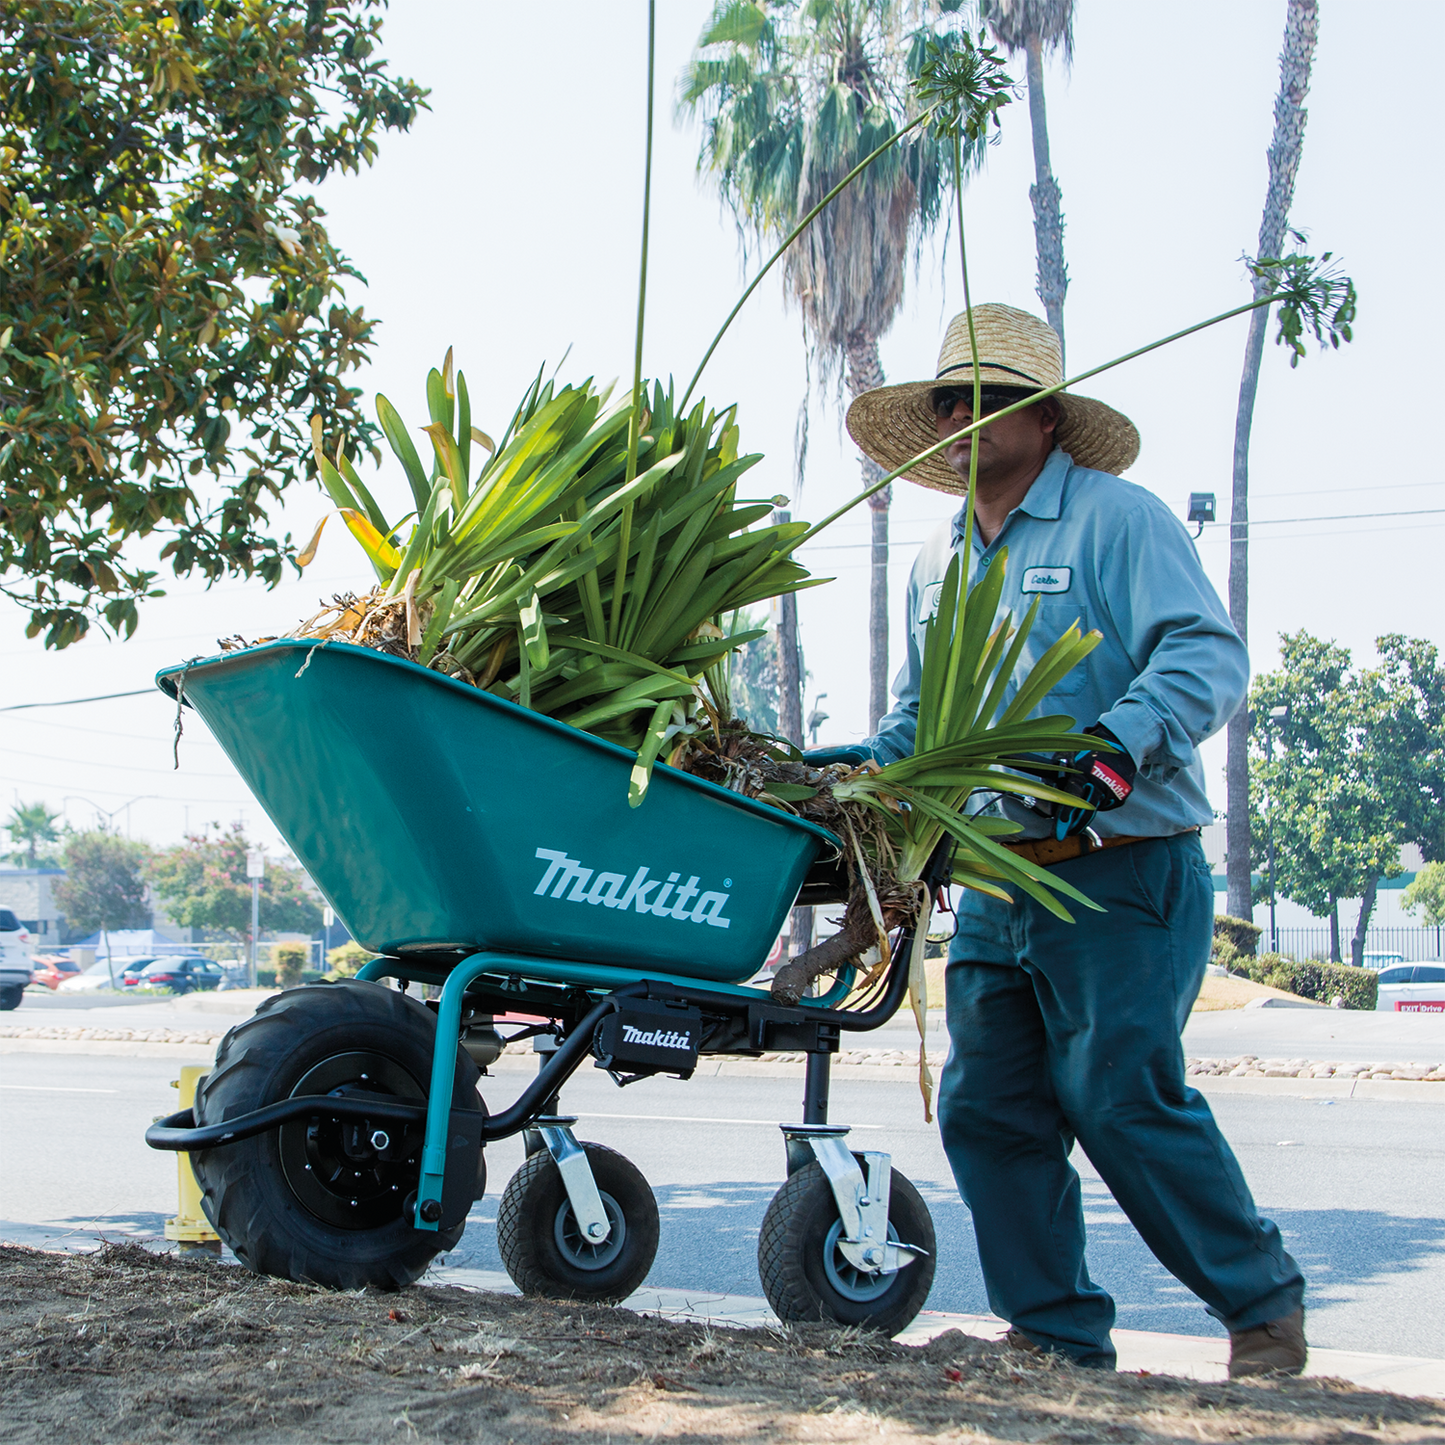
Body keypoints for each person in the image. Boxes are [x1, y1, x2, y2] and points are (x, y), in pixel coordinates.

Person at [817, 303, 1306, 1376]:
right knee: (986, 1108)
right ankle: (1053, 1335)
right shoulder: (936, 565)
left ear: (1043, 419)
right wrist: (846, 774)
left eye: (989, 397)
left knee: (1118, 1093)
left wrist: (1113, 746)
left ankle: (1260, 1308)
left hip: (1120, 871)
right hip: (996, 884)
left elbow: (1201, 654)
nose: (963, 412)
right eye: (949, 397)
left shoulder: (1115, 522)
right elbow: (917, 723)